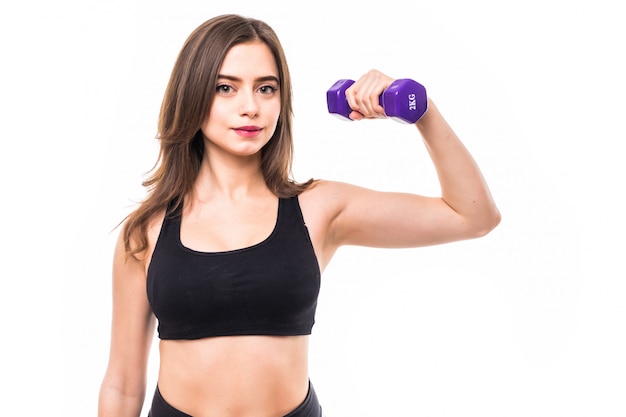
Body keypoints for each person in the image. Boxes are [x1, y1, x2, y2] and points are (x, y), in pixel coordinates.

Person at [97, 13, 501, 417]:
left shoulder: (319, 209)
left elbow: (473, 216)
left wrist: (422, 111)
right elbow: (123, 385)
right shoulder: (145, 233)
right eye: (226, 88)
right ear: (193, 95)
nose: (250, 107)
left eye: (266, 88)